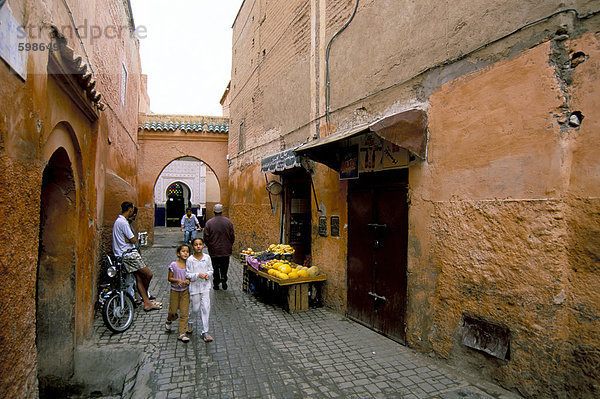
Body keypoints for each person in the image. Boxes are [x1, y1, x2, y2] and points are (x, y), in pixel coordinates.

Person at [112, 201, 161, 312]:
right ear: (129, 209)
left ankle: (147, 303)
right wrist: (130, 239)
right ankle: (143, 293)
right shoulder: (123, 222)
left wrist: (128, 239)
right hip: (129, 255)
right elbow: (133, 239)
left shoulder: (118, 221)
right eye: (132, 210)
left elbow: (129, 239)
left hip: (123, 254)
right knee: (148, 274)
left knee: (138, 277)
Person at [186, 237, 214, 342]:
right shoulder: (190, 260)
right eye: (196, 244)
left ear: (203, 246)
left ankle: (205, 331)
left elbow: (211, 269)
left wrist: (208, 274)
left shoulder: (207, 258)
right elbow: (187, 274)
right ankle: (190, 322)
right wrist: (197, 275)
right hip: (194, 287)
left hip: (205, 287)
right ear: (193, 246)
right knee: (195, 308)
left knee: (206, 308)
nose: (198, 246)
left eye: (200, 244)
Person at [203, 203, 235, 290]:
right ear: (222, 211)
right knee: (224, 266)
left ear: (214, 211)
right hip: (225, 250)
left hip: (214, 250)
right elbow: (232, 236)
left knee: (215, 267)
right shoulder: (228, 222)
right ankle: (224, 279)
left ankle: (216, 283)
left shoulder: (209, 223)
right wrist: (229, 245)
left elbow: (206, 237)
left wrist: (209, 245)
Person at [165, 244, 192, 342]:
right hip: (175, 291)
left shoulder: (189, 265)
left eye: (187, 252)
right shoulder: (173, 265)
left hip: (185, 291)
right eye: (183, 251)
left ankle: (182, 333)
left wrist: (188, 281)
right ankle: (169, 320)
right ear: (178, 253)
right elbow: (169, 278)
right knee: (173, 311)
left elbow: (190, 276)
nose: (185, 253)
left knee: (184, 312)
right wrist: (177, 280)